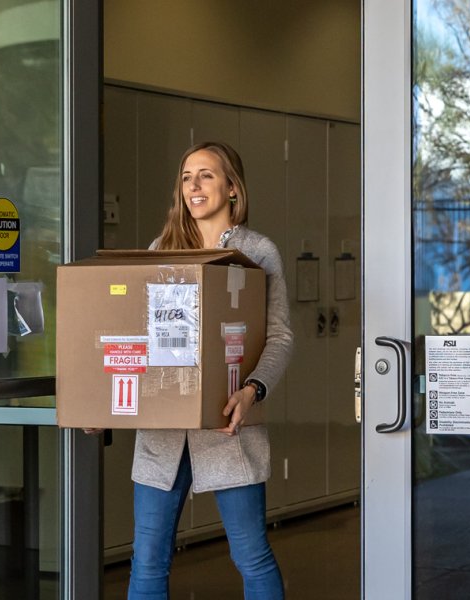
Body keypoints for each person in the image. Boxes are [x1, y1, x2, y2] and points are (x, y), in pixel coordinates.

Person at [123, 141, 293, 599]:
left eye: (206, 175)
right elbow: (138, 336)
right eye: (186, 177)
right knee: (148, 560)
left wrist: (253, 390)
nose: (193, 186)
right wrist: (109, 400)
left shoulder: (257, 252)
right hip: (162, 429)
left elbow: (279, 338)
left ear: (232, 188)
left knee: (251, 555)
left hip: (227, 425)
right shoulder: (161, 249)